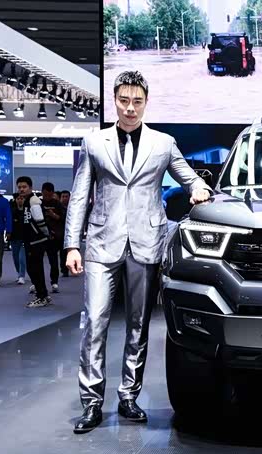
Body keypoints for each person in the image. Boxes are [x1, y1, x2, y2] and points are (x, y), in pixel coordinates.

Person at [65, 71, 212, 434]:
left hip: (147, 243)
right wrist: (71, 244)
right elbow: (80, 196)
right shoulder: (94, 142)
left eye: (137, 101)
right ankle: (91, 402)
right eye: (123, 101)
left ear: (146, 102)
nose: (130, 108)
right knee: (95, 322)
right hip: (101, 242)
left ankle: (128, 395)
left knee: (138, 324)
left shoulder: (163, 143)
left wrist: (199, 188)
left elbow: (189, 176)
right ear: (114, 101)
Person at [16, 176, 51, 307]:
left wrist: (45, 234)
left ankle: (42, 296)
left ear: (30, 187)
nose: (21, 189)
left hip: (36, 241)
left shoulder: (33, 200)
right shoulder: (25, 201)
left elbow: (39, 219)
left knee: (35, 269)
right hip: (30, 240)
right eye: (19, 187)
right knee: (33, 269)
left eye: (24, 187)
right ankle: (43, 295)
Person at [40, 182, 65, 292]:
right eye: (45, 195)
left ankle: (54, 282)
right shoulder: (38, 203)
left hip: (54, 237)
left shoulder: (57, 204)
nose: (47, 197)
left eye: (49, 195)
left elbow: (63, 218)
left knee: (53, 261)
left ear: (52, 193)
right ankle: (37, 283)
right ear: (42, 192)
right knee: (37, 262)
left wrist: (53, 215)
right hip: (40, 236)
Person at [10, 195, 27, 284]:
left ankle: (21, 276)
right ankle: (18, 273)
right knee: (15, 258)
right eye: (18, 199)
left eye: (22, 198)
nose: (20, 200)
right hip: (14, 237)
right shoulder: (12, 211)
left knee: (22, 258)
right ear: (15, 200)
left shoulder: (28, 211)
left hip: (25, 238)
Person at [59, 190, 71, 276]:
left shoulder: (73, 207)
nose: (64, 198)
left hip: (71, 232)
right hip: (61, 233)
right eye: (63, 196)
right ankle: (64, 270)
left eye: (66, 196)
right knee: (63, 253)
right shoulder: (58, 208)